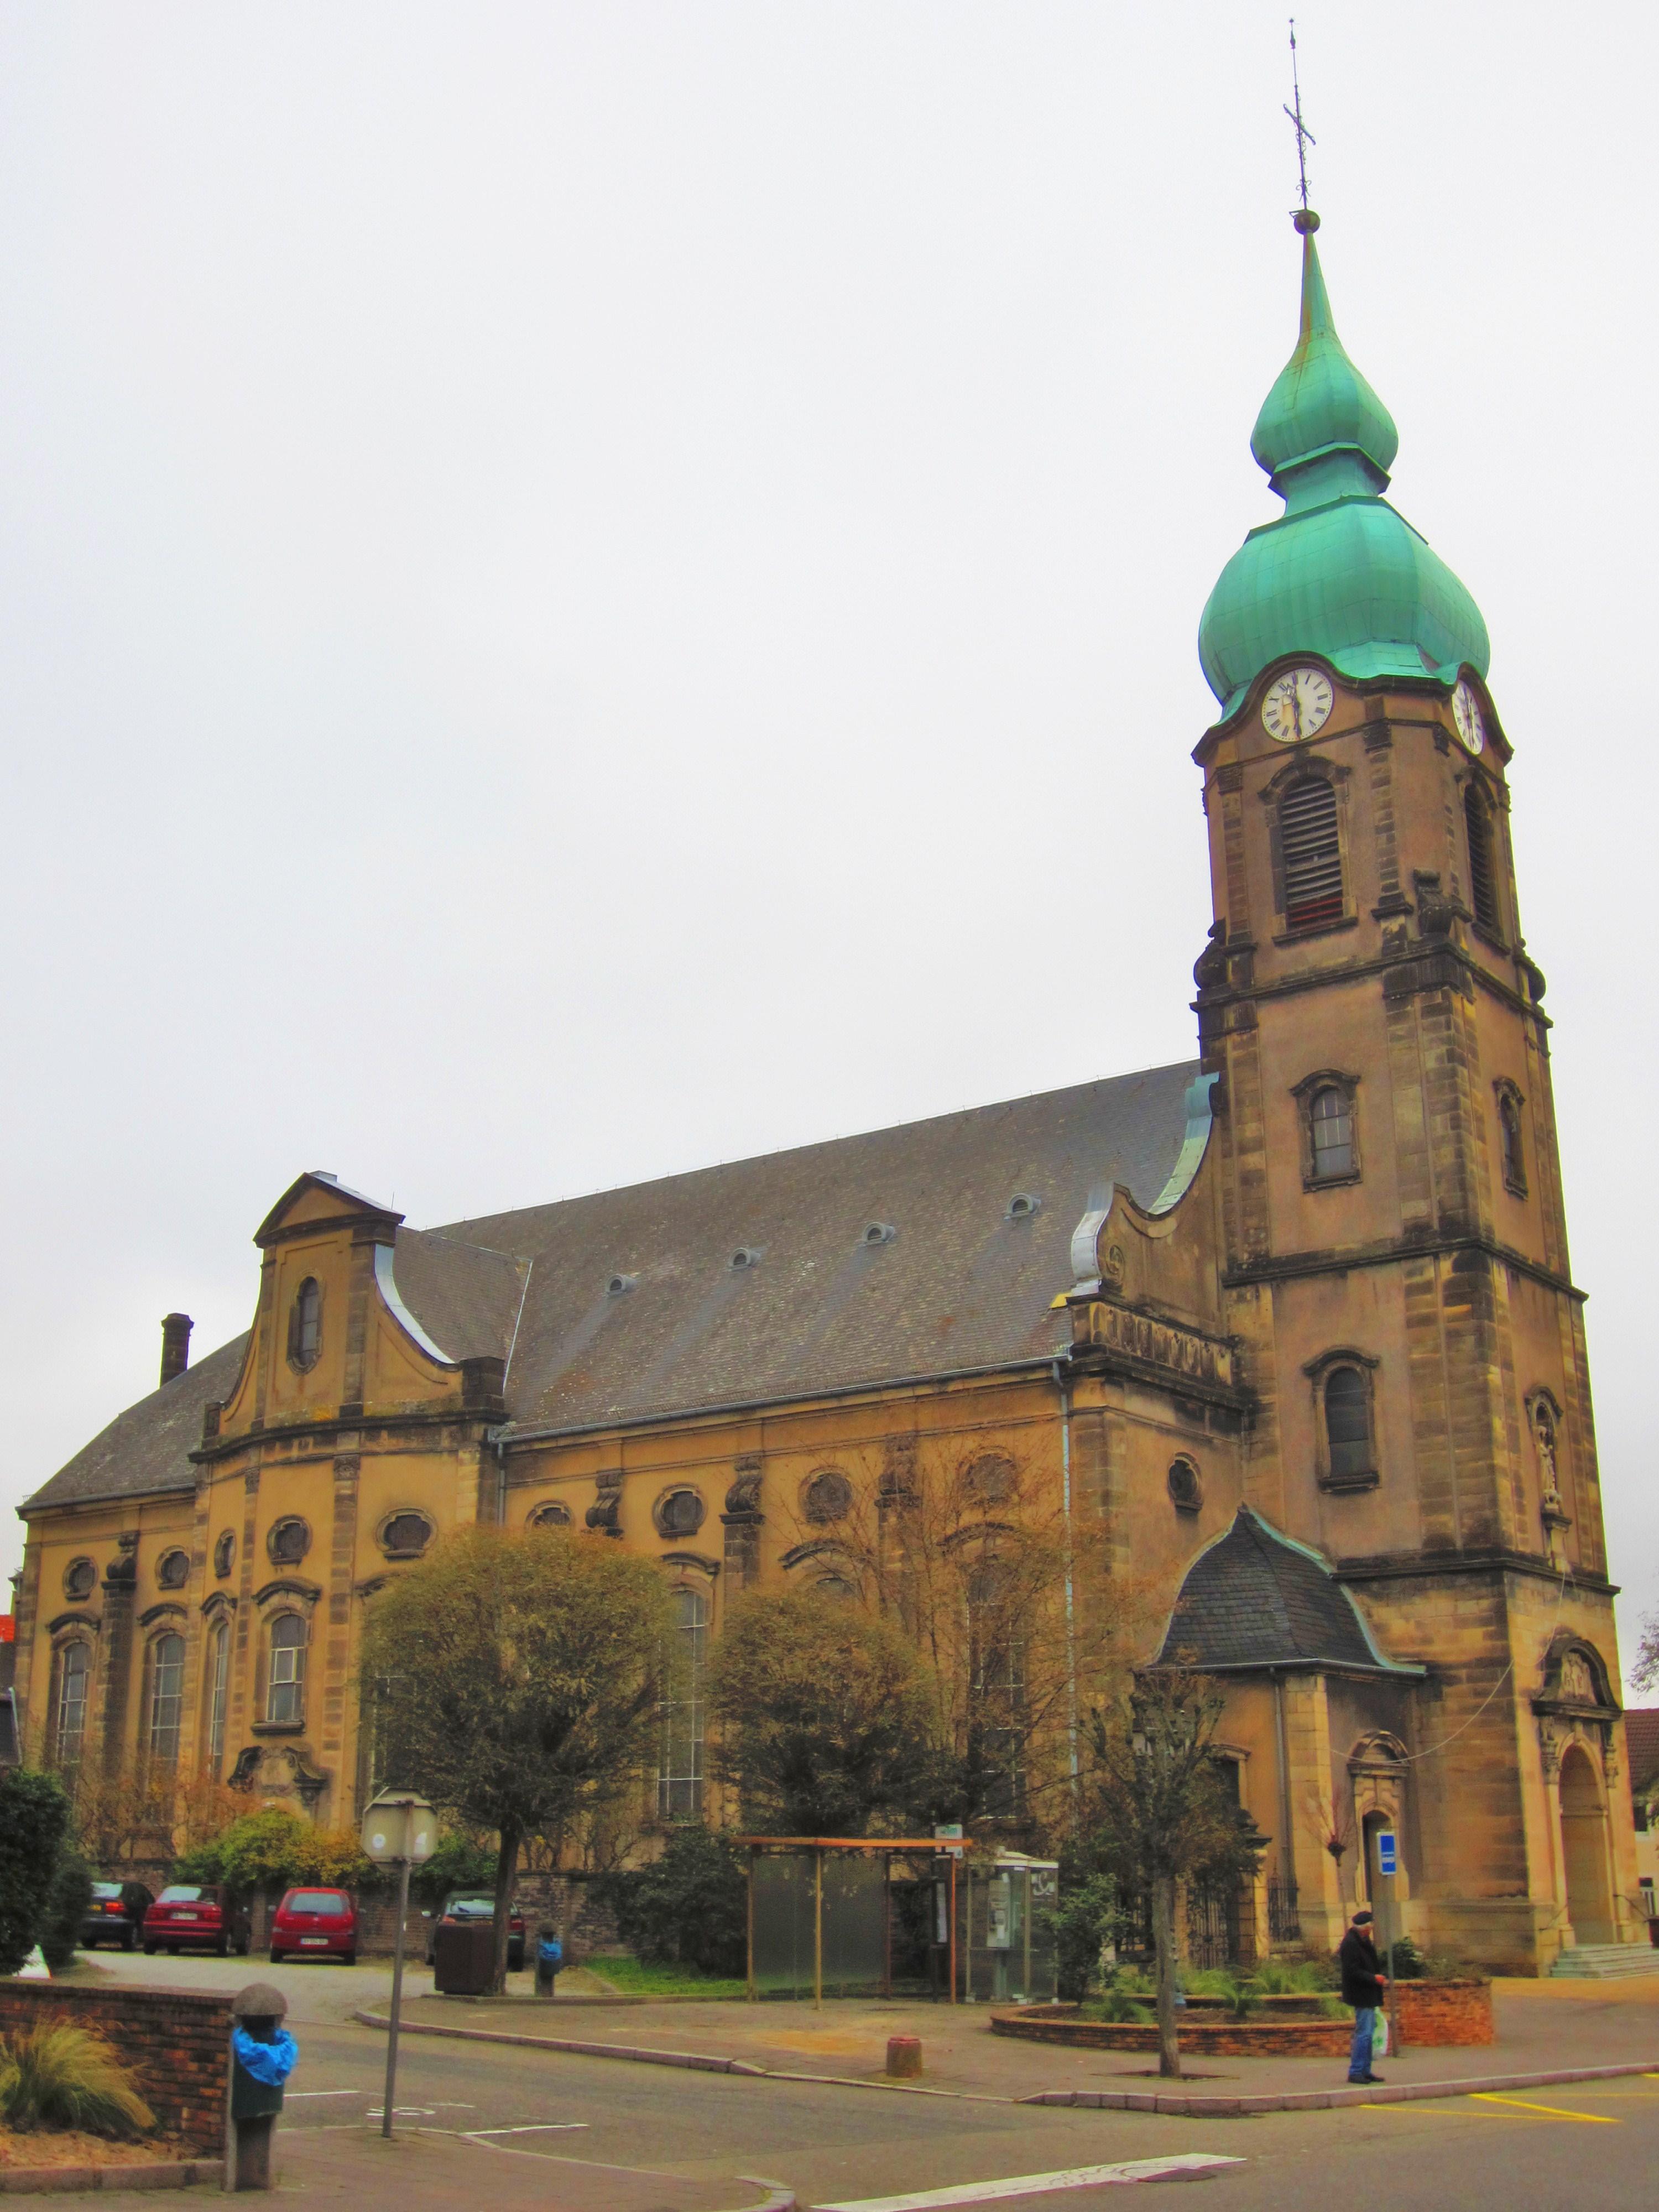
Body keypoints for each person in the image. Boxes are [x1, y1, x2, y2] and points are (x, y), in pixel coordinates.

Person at [1337, 1907, 1387, 2084]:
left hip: (1368, 1993)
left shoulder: (1363, 1941)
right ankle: (1356, 2071)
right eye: (1371, 1926)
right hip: (1361, 1994)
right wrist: (1374, 1978)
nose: (1372, 1929)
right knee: (1364, 2034)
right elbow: (1352, 1971)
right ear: (1365, 1927)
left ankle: (1365, 2070)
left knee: (1368, 2033)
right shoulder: (1351, 1943)